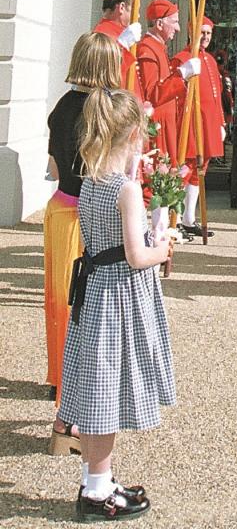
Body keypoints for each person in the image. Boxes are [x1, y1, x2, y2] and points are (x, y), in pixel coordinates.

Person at [57, 87, 176, 520]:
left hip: (95, 292)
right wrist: (162, 247)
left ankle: (99, 480)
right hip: (117, 297)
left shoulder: (92, 179)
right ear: (132, 135)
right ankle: (95, 493)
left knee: (94, 389)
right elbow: (135, 255)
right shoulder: (123, 189)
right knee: (104, 394)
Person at [45, 32, 122, 456]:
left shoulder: (61, 108)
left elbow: (55, 167)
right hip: (90, 213)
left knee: (58, 308)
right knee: (88, 319)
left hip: (59, 208)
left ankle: (60, 392)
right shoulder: (105, 110)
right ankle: (72, 414)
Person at [172, 16, 226, 237]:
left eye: (208, 33)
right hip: (191, 121)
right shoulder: (182, 58)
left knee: (200, 170)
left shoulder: (211, 60)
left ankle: (188, 219)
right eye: (201, 32)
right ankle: (173, 219)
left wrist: (222, 122)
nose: (205, 37)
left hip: (209, 121)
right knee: (185, 169)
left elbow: (217, 95)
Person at [135, 0, 199, 161]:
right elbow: (153, 95)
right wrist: (181, 74)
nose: (177, 29)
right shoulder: (147, 49)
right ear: (160, 24)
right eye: (175, 22)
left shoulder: (157, 48)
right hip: (158, 131)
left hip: (165, 127)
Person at [92, 0, 143, 96]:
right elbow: (106, 75)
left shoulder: (118, 32)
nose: (138, 15)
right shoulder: (103, 33)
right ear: (121, 7)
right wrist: (122, 45)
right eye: (135, 10)